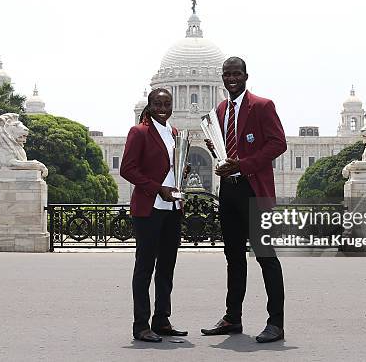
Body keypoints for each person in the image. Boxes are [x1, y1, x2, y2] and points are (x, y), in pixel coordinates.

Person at [201, 57, 287, 343]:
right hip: (229, 191)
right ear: (221, 78)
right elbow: (226, 150)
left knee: (265, 257)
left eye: (236, 74)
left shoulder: (263, 106)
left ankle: (276, 322)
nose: (231, 79)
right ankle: (232, 318)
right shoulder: (220, 110)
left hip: (254, 189)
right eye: (227, 74)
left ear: (246, 76)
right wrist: (218, 153)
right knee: (233, 257)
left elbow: (278, 143)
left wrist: (243, 164)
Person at [120, 88, 188, 343]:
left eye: (167, 103)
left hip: (171, 209)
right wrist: (158, 188)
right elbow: (127, 169)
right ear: (148, 106)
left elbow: (171, 166)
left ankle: (161, 320)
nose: (162, 107)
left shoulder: (174, 133)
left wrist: (181, 169)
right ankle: (141, 325)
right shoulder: (139, 132)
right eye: (158, 103)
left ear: (173, 105)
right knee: (145, 267)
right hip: (149, 207)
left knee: (166, 268)